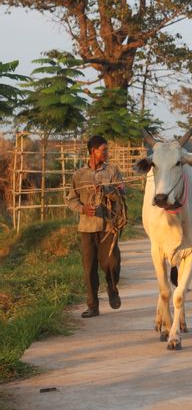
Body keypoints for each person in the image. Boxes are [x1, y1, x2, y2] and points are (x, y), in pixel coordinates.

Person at [67, 135, 126, 318]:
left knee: (112, 263)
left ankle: (112, 287)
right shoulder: (79, 175)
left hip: (108, 226)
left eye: (107, 149)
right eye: (104, 150)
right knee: (89, 267)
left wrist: (109, 190)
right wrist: (83, 208)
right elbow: (71, 200)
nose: (107, 153)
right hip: (87, 228)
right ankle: (93, 306)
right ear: (93, 152)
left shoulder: (112, 171)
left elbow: (122, 193)